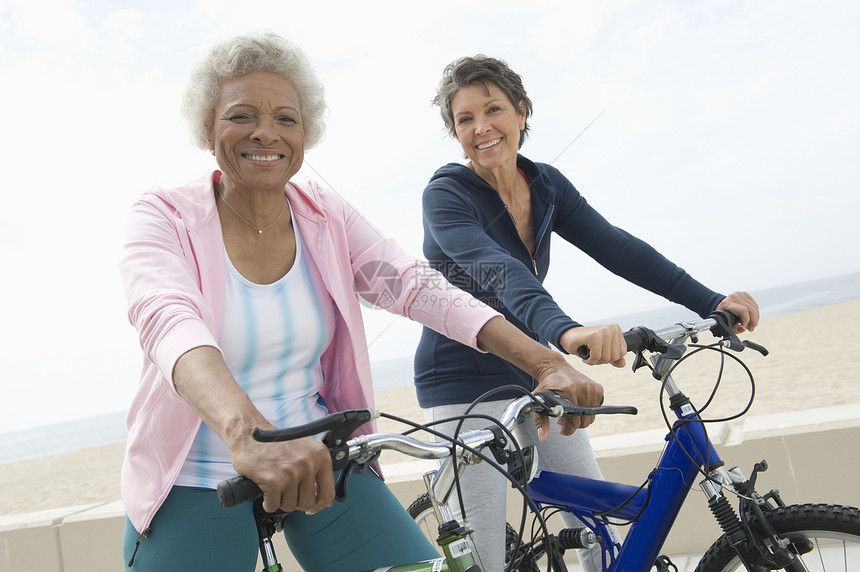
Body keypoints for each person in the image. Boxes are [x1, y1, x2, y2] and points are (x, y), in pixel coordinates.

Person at [119, 33, 604, 572]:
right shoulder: (163, 216)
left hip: (323, 462)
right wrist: (249, 436)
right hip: (198, 475)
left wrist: (546, 362)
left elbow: (414, 285)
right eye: (241, 115)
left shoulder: (323, 216)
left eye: (286, 118)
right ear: (209, 125)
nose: (266, 133)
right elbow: (170, 323)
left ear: (305, 133)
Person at [414, 54, 761, 572]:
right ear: (455, 132)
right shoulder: (446, 197)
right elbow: (500, 271)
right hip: (463, 382)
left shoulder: (546, 185)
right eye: (465, 119)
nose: (481, 128)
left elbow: (618, 248)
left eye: (494, 110)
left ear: (523, 112)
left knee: (604, 521)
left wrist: (710, 301)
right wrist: (567, 332)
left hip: (534, 374)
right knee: (481, 556)